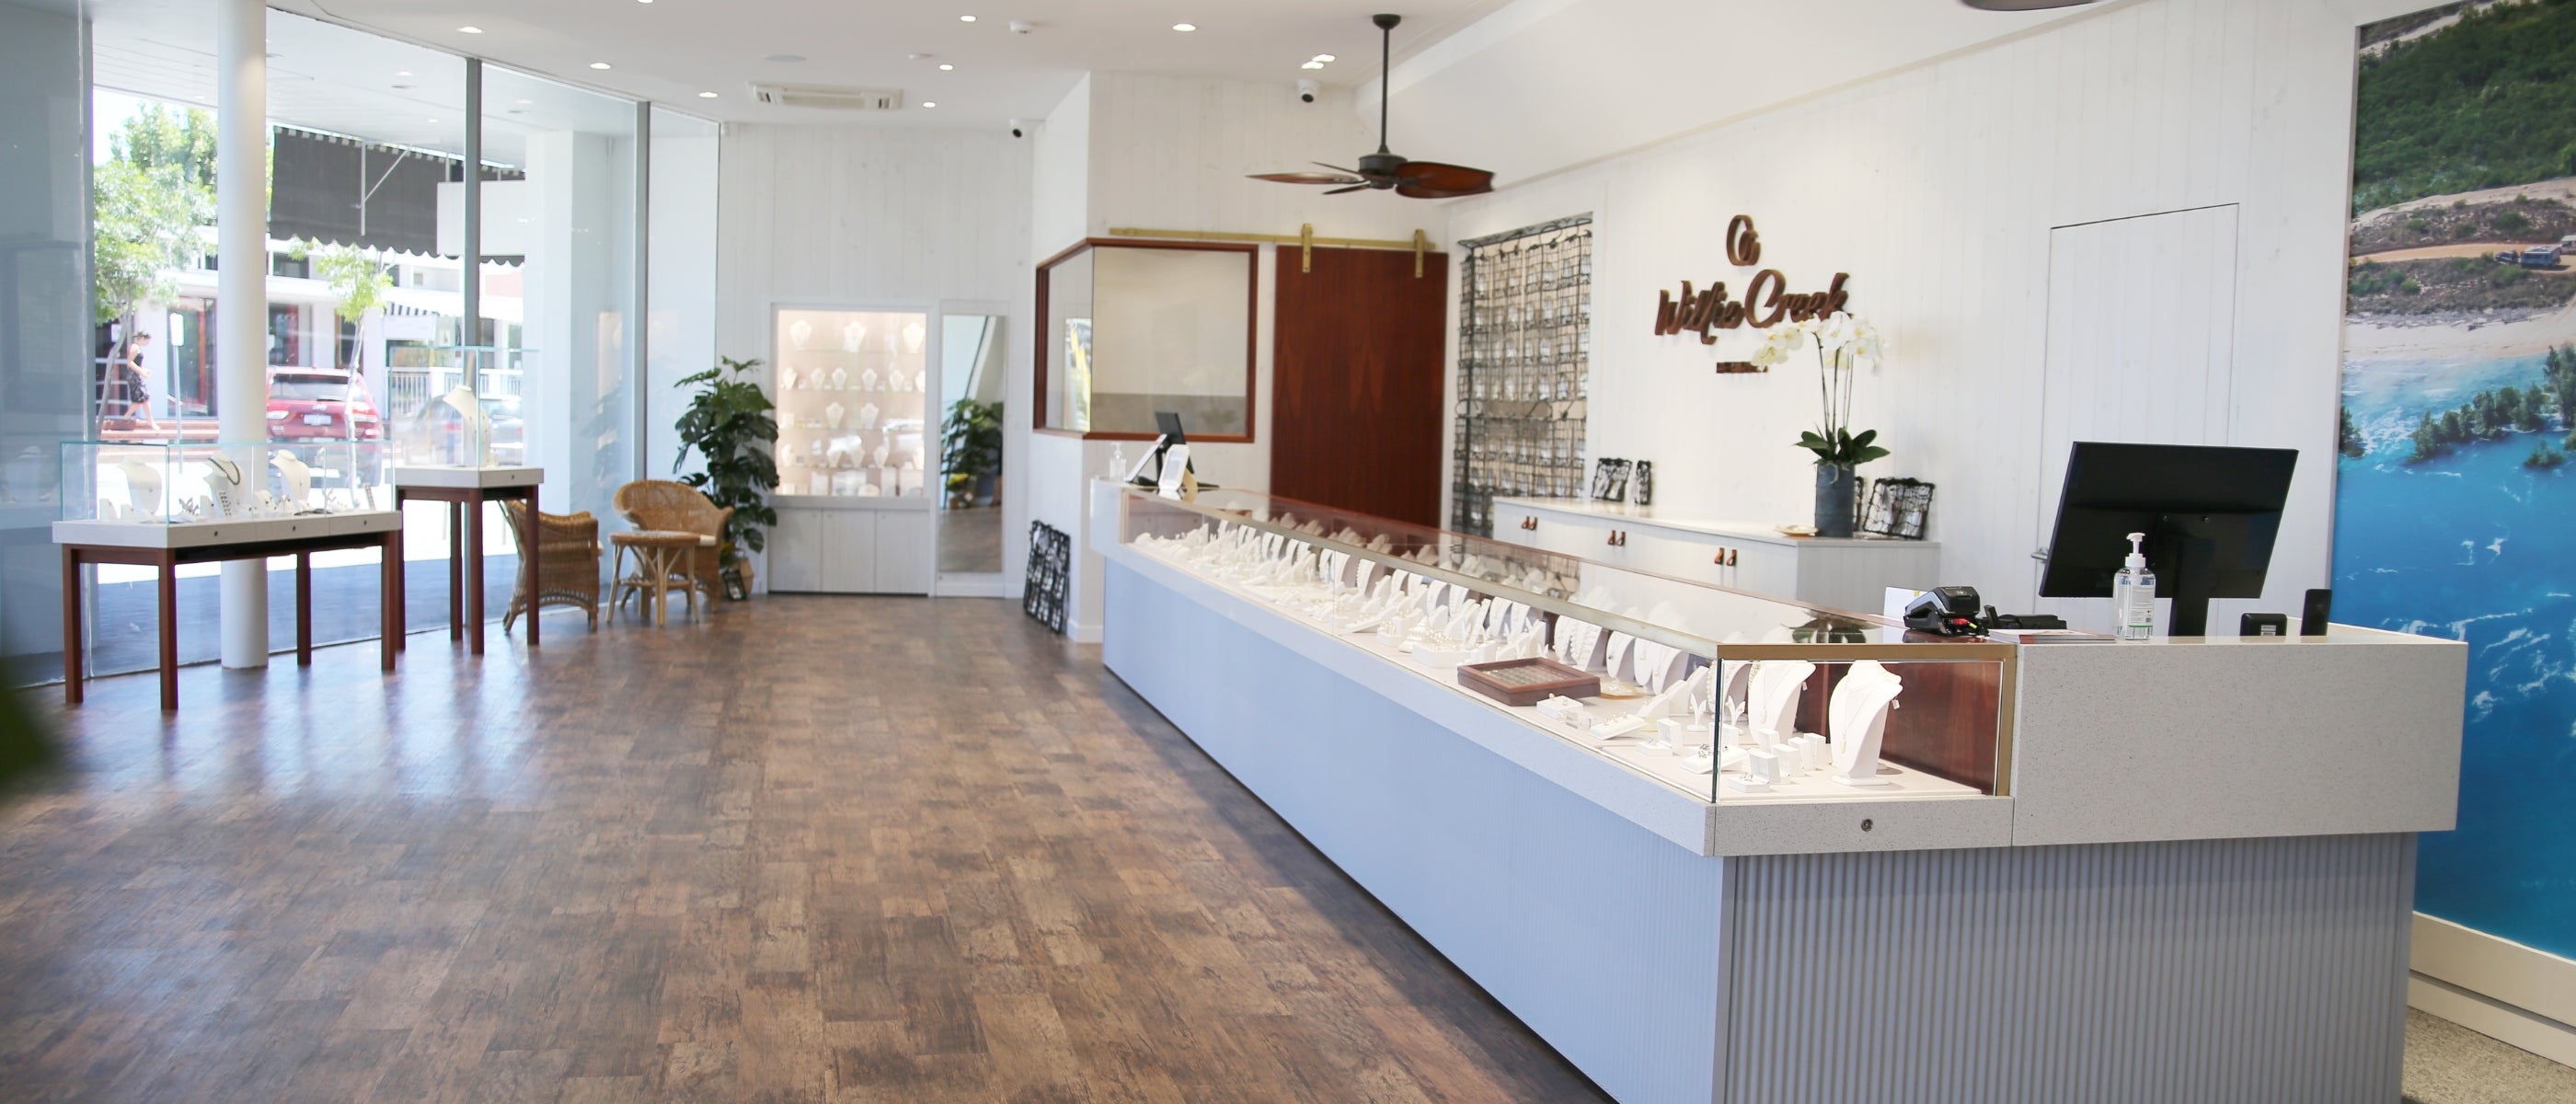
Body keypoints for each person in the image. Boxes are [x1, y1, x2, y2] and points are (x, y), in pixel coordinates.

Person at [98, 332, 160, 432]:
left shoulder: (137, 347)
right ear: (141, 338)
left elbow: (135, 363)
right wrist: (141, 372)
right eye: (147, 340)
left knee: (142, 398)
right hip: (134, 376)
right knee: (143, 398)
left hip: (136, 375)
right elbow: (129, 362)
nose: (147, 343)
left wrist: (143, 370)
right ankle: (149, 421)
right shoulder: (135, 347)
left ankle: (128, 417)